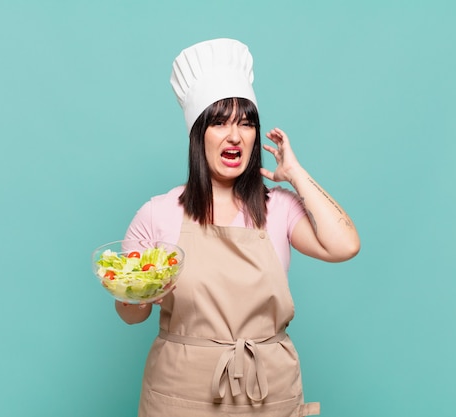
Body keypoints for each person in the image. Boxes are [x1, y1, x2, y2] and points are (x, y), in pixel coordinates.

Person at [115, 38, 360, 417]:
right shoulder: (158, 213)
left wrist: (295, 175)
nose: (235, 135)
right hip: (179, 396)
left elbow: (344, 245)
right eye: (220, 122)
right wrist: (141, 291)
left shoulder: (277, 207)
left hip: (267, 392)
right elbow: (131, 314)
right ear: (199, 135)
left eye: (246, 124)